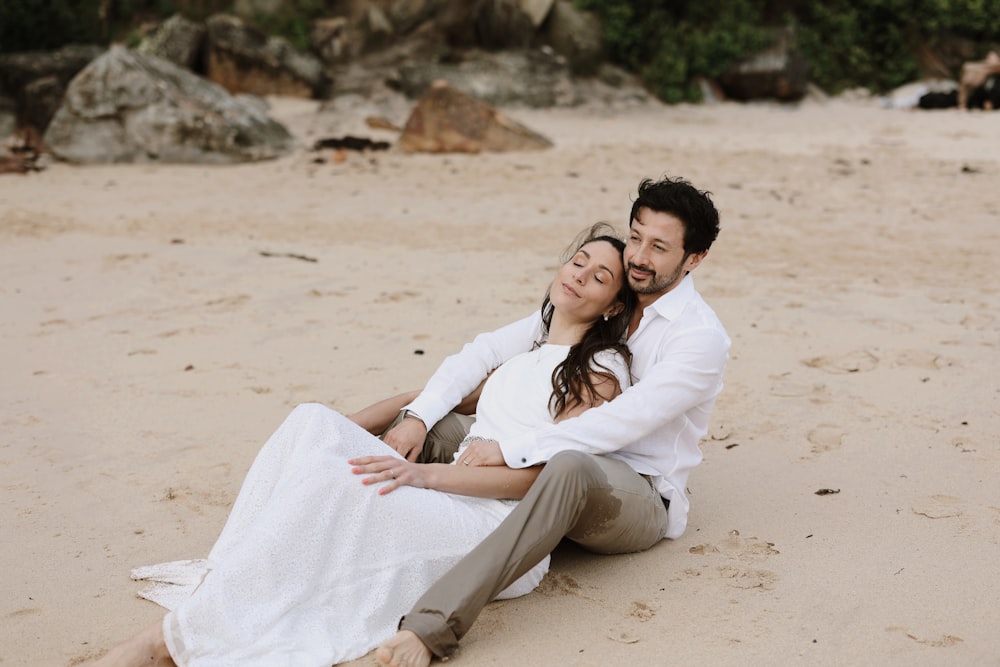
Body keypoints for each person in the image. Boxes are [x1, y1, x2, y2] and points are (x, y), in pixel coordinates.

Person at [91, 224, 635, 667]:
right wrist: (383, 427)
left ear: (613, 306)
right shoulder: (523, 354)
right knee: (311, 422)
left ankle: (166, 640)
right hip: (450, 493)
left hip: (496, 524)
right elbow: (433, 395)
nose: (581, 275)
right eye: (578, 261)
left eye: (600, 276)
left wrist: (422, 475)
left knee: (338, 481)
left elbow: (543, 480)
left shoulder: (599, 369)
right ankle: (229, 576)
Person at [374, 175, 731, 667]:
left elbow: (622, 422)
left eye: (659, 247)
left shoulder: (699, 338)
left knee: (567, 465)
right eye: (635, 237)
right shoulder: (608, 300)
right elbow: (485, 351)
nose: (638, 257)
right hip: (548, 448)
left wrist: (514, 447)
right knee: (441, 424)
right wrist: (416, 417)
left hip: (632, 489)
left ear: (694, 259)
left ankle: (433, 624)